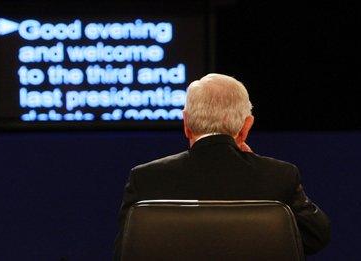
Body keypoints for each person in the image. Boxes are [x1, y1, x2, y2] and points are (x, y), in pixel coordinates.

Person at [114, 73, 330, 260]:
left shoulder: (146, 179)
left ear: (186, 124)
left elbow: (125, 253)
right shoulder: (279, 176)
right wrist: (259, 168)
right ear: (246, 127)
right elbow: (316, 238)